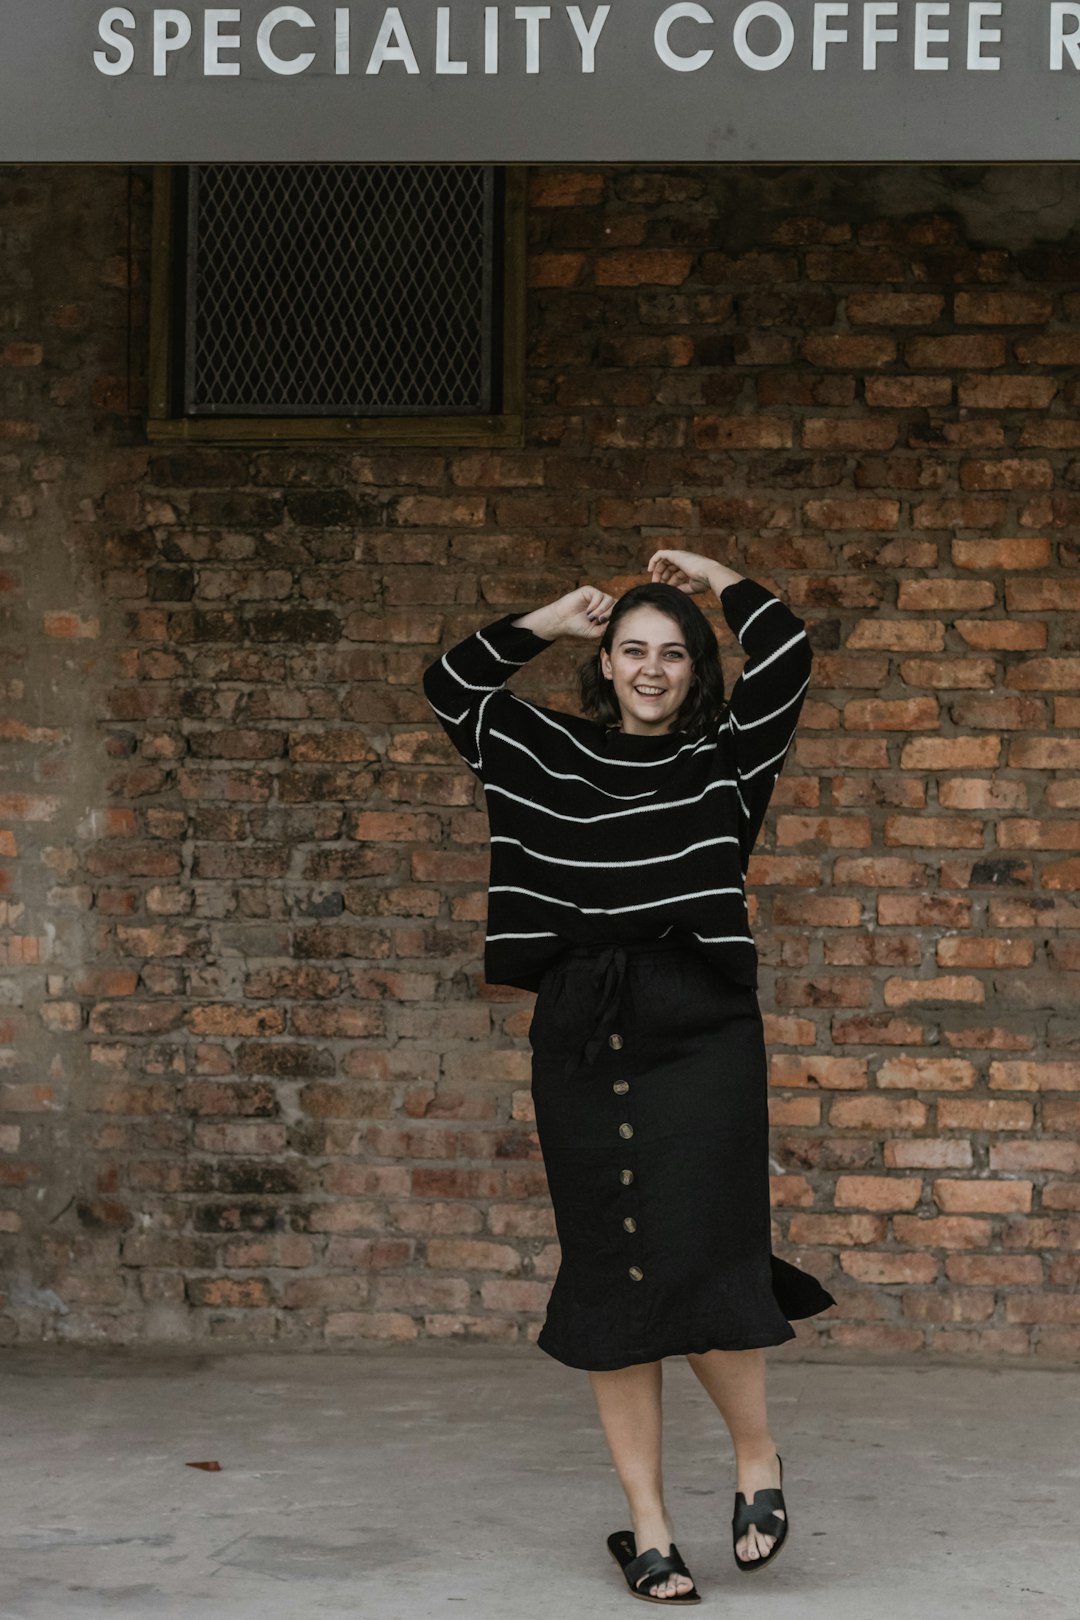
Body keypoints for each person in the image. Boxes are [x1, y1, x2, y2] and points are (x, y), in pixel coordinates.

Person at [422, 547, 835, 1604]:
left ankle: (756, 1458)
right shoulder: (536, 749)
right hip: (579, 1022)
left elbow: (786, 654)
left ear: (696, 671)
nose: (651, 668)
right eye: (631, 650)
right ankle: (648, 1527)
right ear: (603, 664)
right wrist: (548, 618)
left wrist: (712, 576)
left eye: (672, 654)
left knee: (704, 1248)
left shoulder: (730, 759)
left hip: (700, 1026)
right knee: (613, 1268)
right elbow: (451, 685)